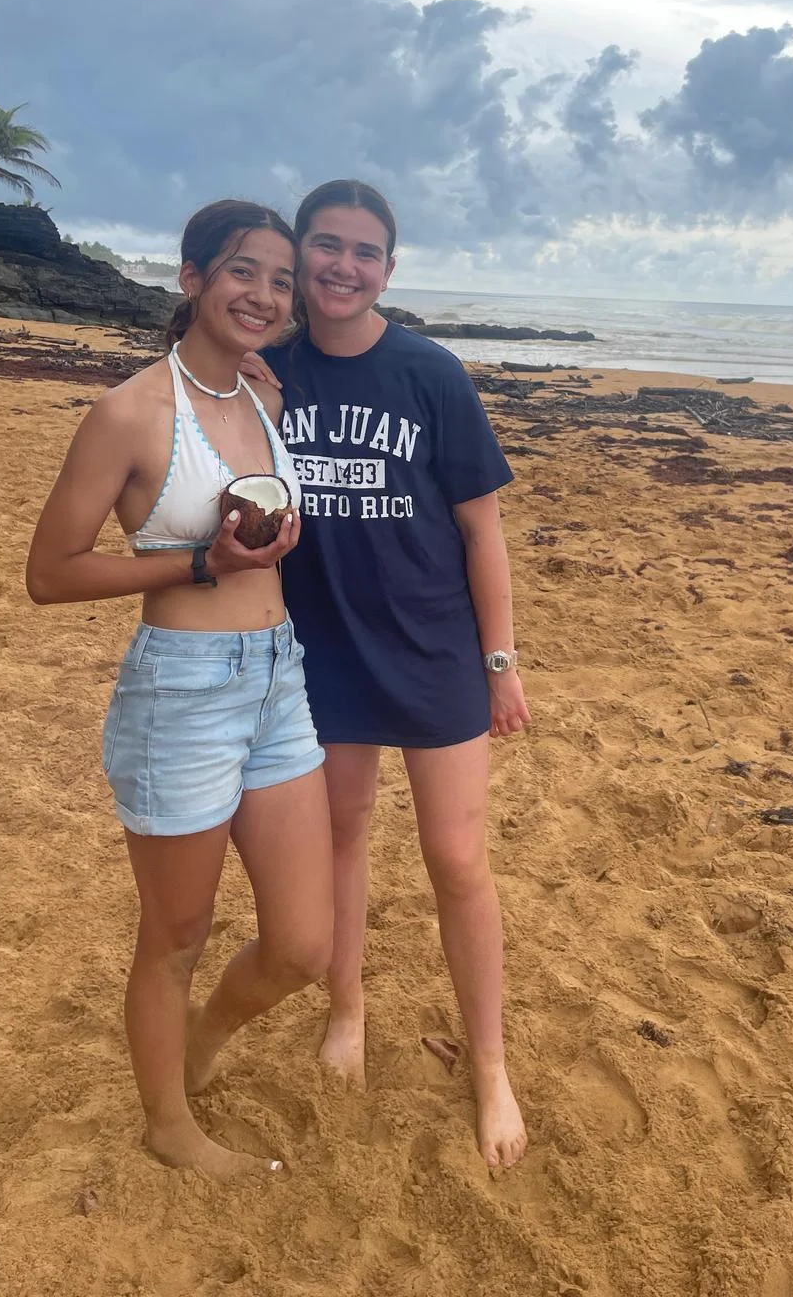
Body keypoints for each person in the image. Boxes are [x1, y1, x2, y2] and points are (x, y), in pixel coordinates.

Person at [26, 200, 333, 1178]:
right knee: (175, 935)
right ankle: (169, 1124)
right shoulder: (129, 413)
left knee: (304, 945)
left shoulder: (265, 398)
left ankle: (202, 1039)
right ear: (193, 278)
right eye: (243, 271)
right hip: (183, 692)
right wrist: (198, 563)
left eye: (281, 280)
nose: (265, 295)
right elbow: (50, 572)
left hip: (278, 678)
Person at [246, 178, 531, 1169]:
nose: (343, 266)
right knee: (342, 833)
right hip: (321, 650)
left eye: (364, 252)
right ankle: (348, 1008)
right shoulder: (269, 375)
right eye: (327, 245)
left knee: (457, 858)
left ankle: (489, 1064)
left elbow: (482, 531)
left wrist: (501, 663)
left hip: (433, 649)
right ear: (300, 254)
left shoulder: (430, 374)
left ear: (389, 269)